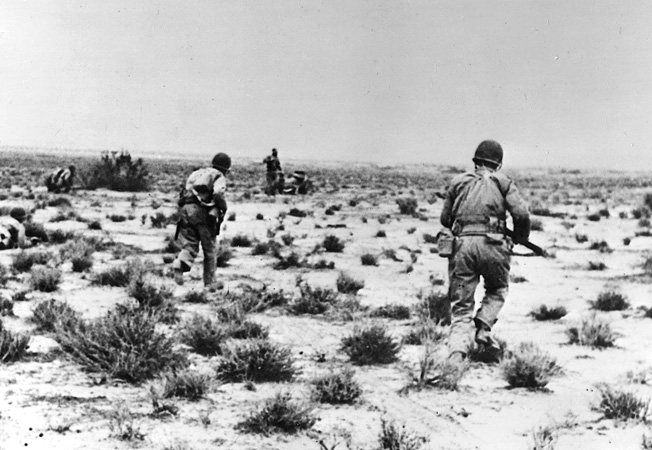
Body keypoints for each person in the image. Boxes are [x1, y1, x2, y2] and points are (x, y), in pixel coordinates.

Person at [440, 140, 530, 363]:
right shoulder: (503, 182)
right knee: (498, 288)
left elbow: (445, 219)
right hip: (494, 247)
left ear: (476, 161)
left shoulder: (457, 182)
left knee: (461, 306)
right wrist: (520, 236)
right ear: (497, 164)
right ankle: (483, 327)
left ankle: (456, 354)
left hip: (462, 249)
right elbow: (521, 215)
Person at [172, 153, 231, 289]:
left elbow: (186, 189)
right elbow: (218, 193)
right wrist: (222, 207)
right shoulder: (218, 176)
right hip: (202, 212)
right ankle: (210, 283)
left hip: (186, 210)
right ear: (226, 168)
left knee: (190, 244)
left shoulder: (198, 173)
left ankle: (180, 264)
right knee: (210, 249)